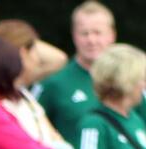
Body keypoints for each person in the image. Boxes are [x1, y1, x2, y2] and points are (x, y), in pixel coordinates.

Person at [73, 44, 146, 149]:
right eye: (141, 78)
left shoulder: (134, 118)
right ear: (128, 81)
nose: (144, 85)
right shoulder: (94, 125)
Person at [39, 2, 118, 135]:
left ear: (112, 35)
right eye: (84, 33)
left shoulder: (128, 81)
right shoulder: (54, 83)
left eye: (97, 33)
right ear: (74, 35)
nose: (91, 40)